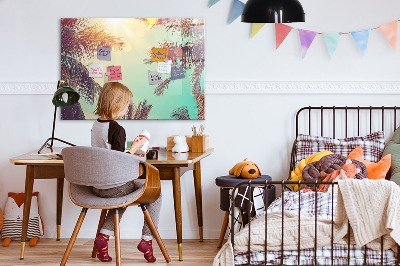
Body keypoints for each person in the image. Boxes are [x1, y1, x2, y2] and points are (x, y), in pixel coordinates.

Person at [91, 82, 161, 263]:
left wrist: (131, 150)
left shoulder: (96, 125)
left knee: (121, 197)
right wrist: (136, 148)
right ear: (116, 104)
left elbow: (108, 154)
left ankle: (103, 238)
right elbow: (119, 161)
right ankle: (147, 240)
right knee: (156, 194)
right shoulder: (117, 129)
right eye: (126, 104)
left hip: (97, 186)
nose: (127, 108)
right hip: (114, 186)